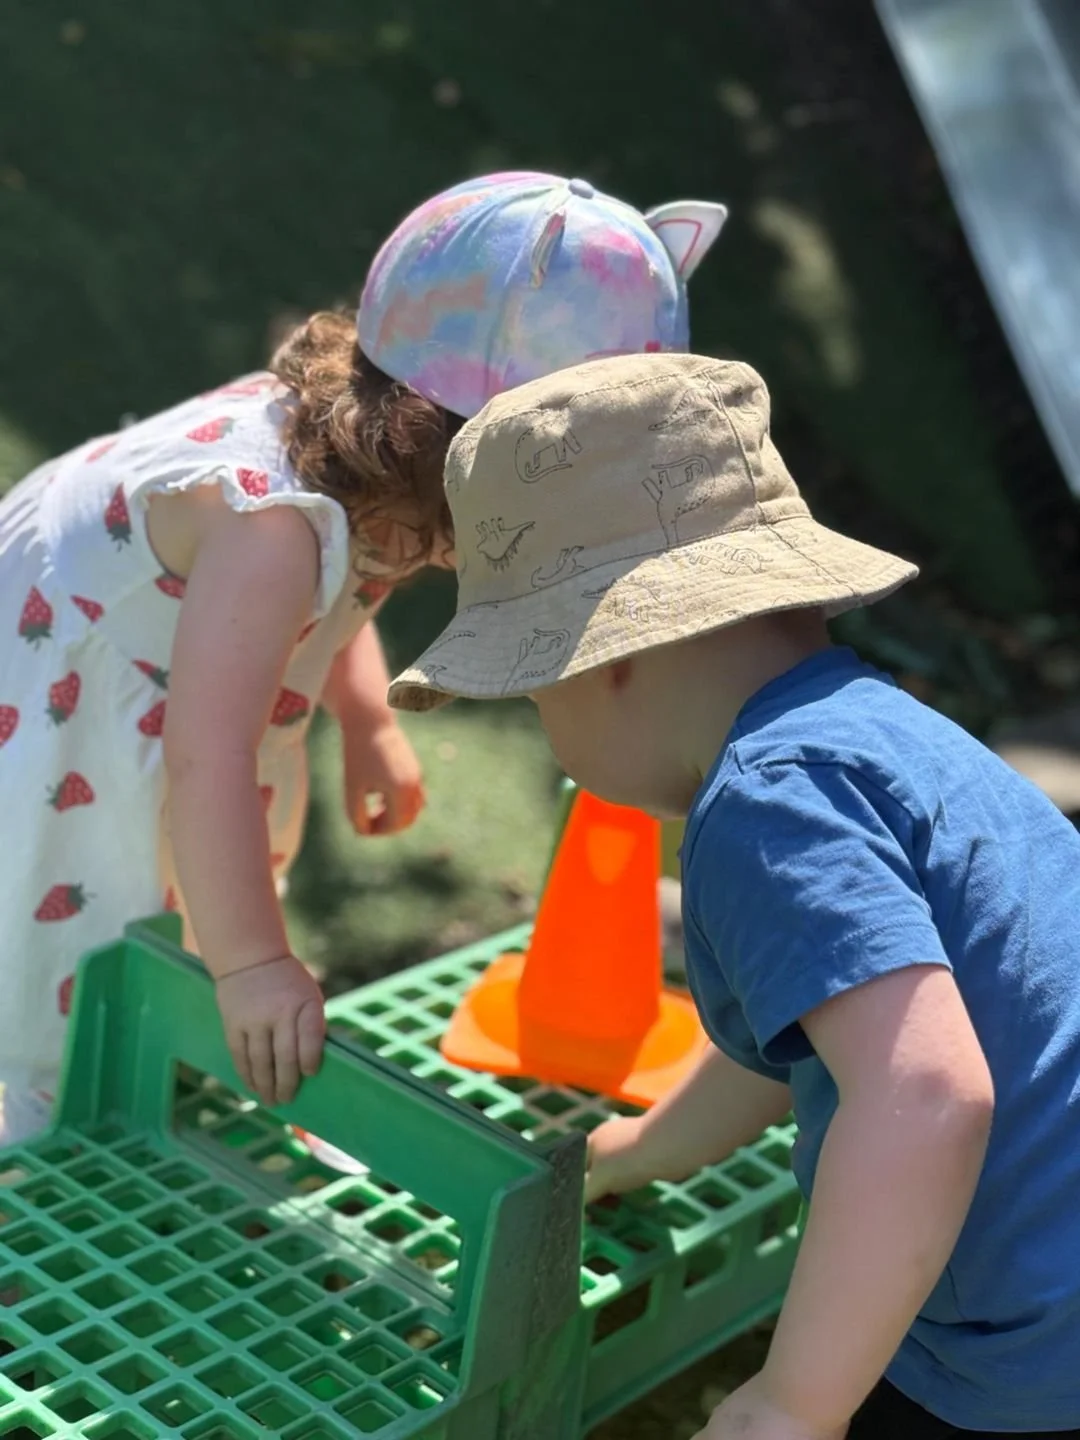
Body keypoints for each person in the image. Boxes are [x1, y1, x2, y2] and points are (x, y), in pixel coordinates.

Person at [387, 352, 1080, 1439]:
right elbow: (819, 1024)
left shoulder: (764, 801)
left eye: (531, 693)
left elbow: (926, 1096)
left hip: (1027, 1346)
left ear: (603, 660)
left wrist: (795, 1405)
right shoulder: (871, 729)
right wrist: (643, 1150)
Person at [0, 173, 726, 1146]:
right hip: (74, 683)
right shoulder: (271, 533)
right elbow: (204, 754)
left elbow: (347, 582)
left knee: (183, 868)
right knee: (69, 919)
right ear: (462, 449)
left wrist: (366, 714)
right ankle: (43, 1110)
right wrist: (254, 964)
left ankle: (171, 1018)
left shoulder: (368, 476)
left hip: (186, 672)